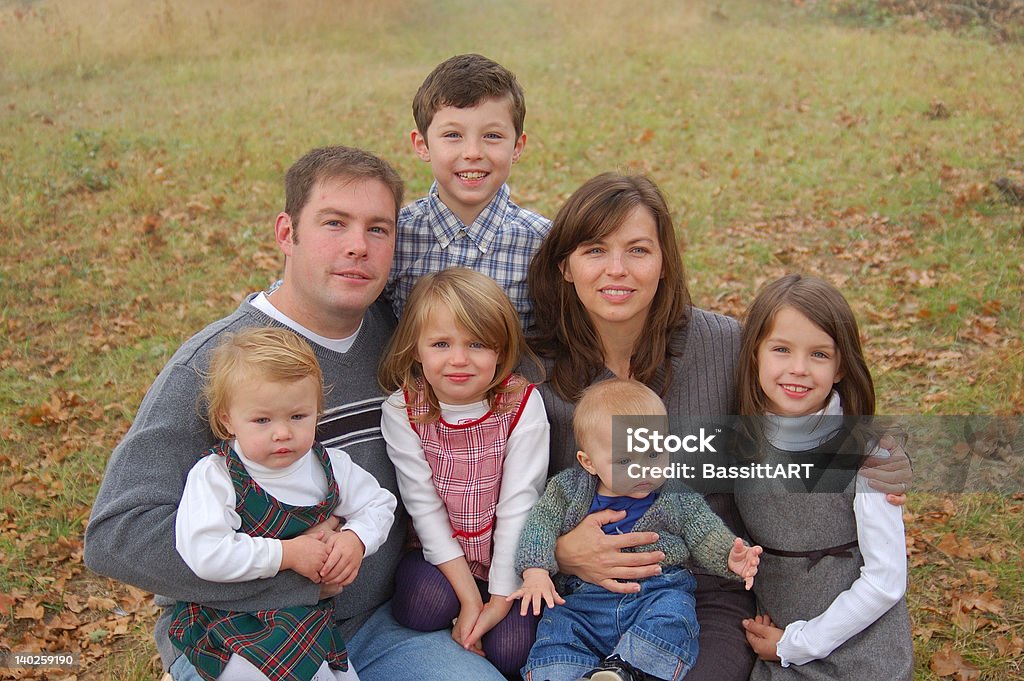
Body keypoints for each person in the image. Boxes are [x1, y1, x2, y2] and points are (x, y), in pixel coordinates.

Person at [84, 145, 511, 681]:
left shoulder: (403, 340)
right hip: (245, 632)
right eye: (335, 223)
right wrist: (290, 566)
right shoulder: (217, 364)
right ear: (287, 233)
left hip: (374, 624)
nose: (358, 246)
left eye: (378, 229)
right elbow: (116, 536)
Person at [525, 173, 914, 681]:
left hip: (704, 586)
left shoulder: (724, 348)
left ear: (664, 263)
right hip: (581, 594)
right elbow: (508, 490)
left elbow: (802, 394)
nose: (616, 270)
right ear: (567, 267)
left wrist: (870, 447)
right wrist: (560, 553)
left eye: (638, 250)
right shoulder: (533, 369)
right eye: (595, 250)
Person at [169, 327, 397, 681]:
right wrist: (288, 555)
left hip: (307, 618)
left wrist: (356, 539)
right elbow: (205, 551)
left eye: (298, 417)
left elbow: (379, 504)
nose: (282, 433)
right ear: (228, 419)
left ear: (317, 411)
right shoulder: (218, 475)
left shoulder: (328, 465)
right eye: (262, 420)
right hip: (234, 620)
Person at [511, 378, 762, 681]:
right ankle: (564, 672)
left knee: (674, 615)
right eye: (626, 460)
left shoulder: (674, 496)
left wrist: (730, 558)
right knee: (558, 629)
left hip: (655, 592)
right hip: (583, 601)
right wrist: (535, 571)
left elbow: (705, 532)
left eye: (654, 454)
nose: (644, 469)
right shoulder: (566, 491)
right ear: (588, 462)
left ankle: (629, 671)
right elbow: (539, 526)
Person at [733, 274, 912, 680]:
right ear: (755, 355)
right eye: (781, 349)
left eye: (818, 354)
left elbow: (885, 581)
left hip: (861, 644)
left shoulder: (870, 453)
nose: (798, 369)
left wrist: (796, 643)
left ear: (841, 365)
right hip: (773, 630)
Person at [379, 267, 549, 676]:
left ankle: (476, 627)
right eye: (441, 343)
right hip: (443, 555)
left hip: (506, 555)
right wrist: (471, 599)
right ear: (416, 349)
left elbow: (518, 506)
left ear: (500, 349)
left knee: (512, 652)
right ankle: (457, 623)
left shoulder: (522, 404)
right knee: (420, 608)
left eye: (477, 344)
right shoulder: (403, 409)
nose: (459, 359)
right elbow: (424, 508)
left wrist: (499, 598)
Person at [385, 53, 551, 329]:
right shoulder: (395, 238)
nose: (473, 153)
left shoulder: (541, 245)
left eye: (492, 136)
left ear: (517, 147)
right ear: (422, 145)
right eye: (453, 135)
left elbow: (558, 340)